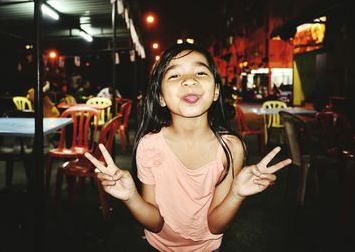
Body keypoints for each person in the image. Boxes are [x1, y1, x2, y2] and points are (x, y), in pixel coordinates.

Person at [85, 43, 291, 251]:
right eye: (174, 75)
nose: (190, 80)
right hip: (157, 246)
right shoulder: (150, 145)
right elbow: (154, 223)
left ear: (216, 92)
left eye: (201, 72)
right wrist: (131, 197)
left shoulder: (231, 147)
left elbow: (216, 225)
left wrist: (236, 193)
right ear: (160, 97)